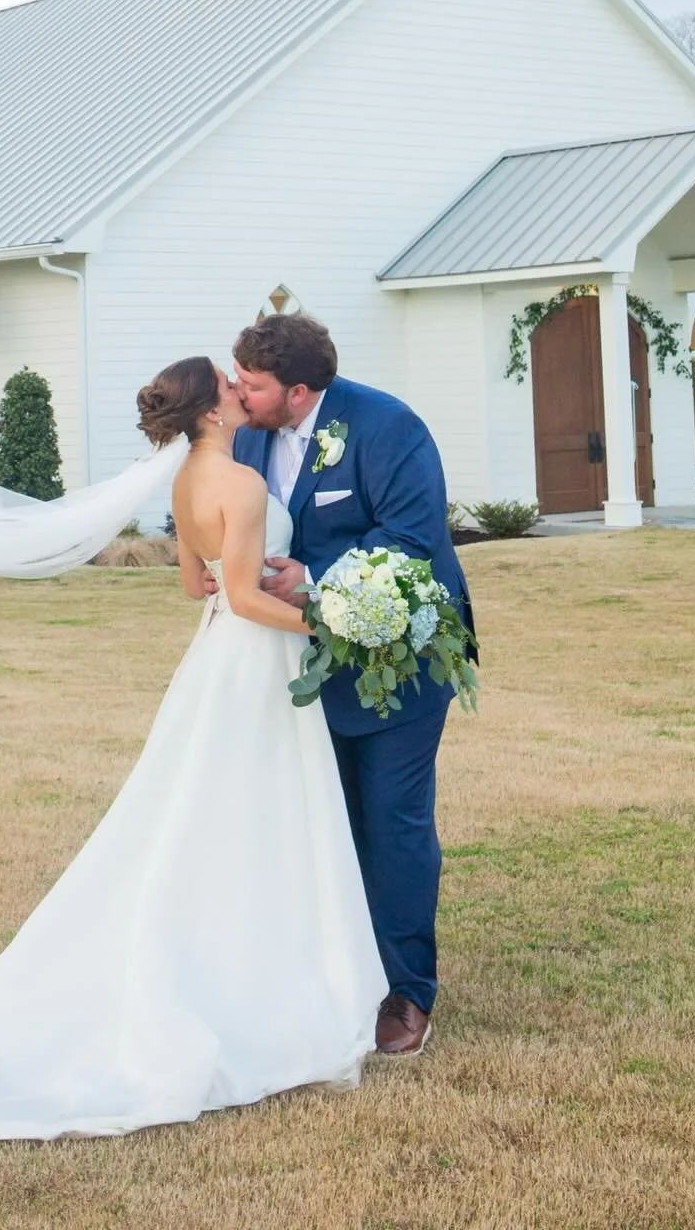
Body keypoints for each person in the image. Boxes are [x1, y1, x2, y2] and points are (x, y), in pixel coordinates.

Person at [0, 356, 388, 1138]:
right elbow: (243, 599)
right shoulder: (240, 484)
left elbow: (196, 586)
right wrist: (335, 622)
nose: (241, 389)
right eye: (229, 383)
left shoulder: (185, 483)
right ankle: (261, 970)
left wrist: (256, 582)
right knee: (258, 811)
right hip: (252, 663)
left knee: (213, 810)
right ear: (212, 411)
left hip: (216, 662)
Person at [227, 312, 474, 1056]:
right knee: (316, 825)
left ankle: (406, 993)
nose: (238, 391)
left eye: (254, 383)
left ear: (300, 392)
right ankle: (332, 973)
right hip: (293, 668)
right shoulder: (246, 435)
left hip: (395, 666)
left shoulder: (389, 429)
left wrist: (317, 578)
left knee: (391, 825)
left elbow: (412, 542)